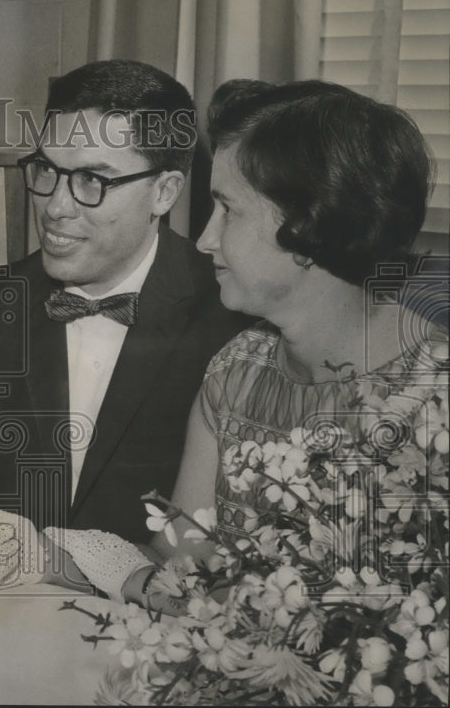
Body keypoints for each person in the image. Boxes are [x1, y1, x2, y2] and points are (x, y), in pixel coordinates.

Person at [49, 78, 447, 606]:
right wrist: (62, 558)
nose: (205, 238)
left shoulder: (434, 398)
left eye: (228, 210)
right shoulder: (235, 371)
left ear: (309, 226)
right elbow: (179, 564)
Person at [0, 60, 248, 561]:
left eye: (92, 180)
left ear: (164, 192)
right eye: (47, 171)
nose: (55, 207)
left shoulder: (230, 315)